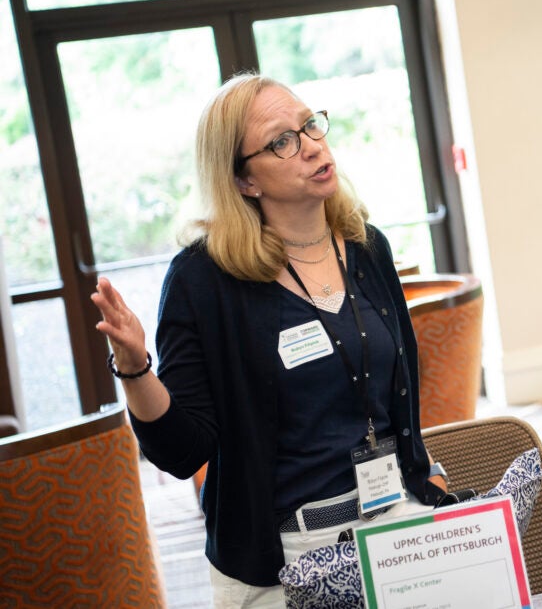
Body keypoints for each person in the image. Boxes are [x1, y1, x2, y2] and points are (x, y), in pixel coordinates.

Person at [92, 73, 449, 607]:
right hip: (286, 557)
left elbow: (397, 399)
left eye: (309, 124)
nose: (311, 146)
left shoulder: (366, 246)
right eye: (282, 141)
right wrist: (137, 367)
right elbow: (181, 450)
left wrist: (426, 476)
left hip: (395, 523)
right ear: (244, 182)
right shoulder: (202, 280)